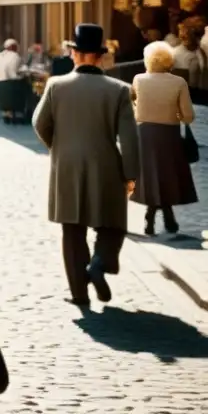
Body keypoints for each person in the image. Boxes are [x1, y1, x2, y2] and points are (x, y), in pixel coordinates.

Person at [32, 24, 140, 306]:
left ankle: (79, 293)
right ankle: (99, 264)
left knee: (72, 228)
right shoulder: (119, 90)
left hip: (66, 166)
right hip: (106, 165)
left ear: (75, 54)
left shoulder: (56, 85)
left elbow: (39, 124)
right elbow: (130, 139)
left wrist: (59, 147)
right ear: (101, 56)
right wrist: (131, 175)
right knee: (112, 225)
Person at [130, 41, 198, 236]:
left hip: (145, 134)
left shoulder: (139, 80)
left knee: (152, 177)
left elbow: (134, 108)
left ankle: (152, 217)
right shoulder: (178, 82)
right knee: (167, 177)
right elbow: (188, 116)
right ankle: (167, 219)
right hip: (169, 135)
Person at [0, 39, 26, 123]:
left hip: (0, 82)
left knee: (4, 101)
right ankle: (16, 114)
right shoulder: (15, 56)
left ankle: (6, 114)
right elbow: (17, 70)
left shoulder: (0, 56)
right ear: (14, 47)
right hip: (12, 83)